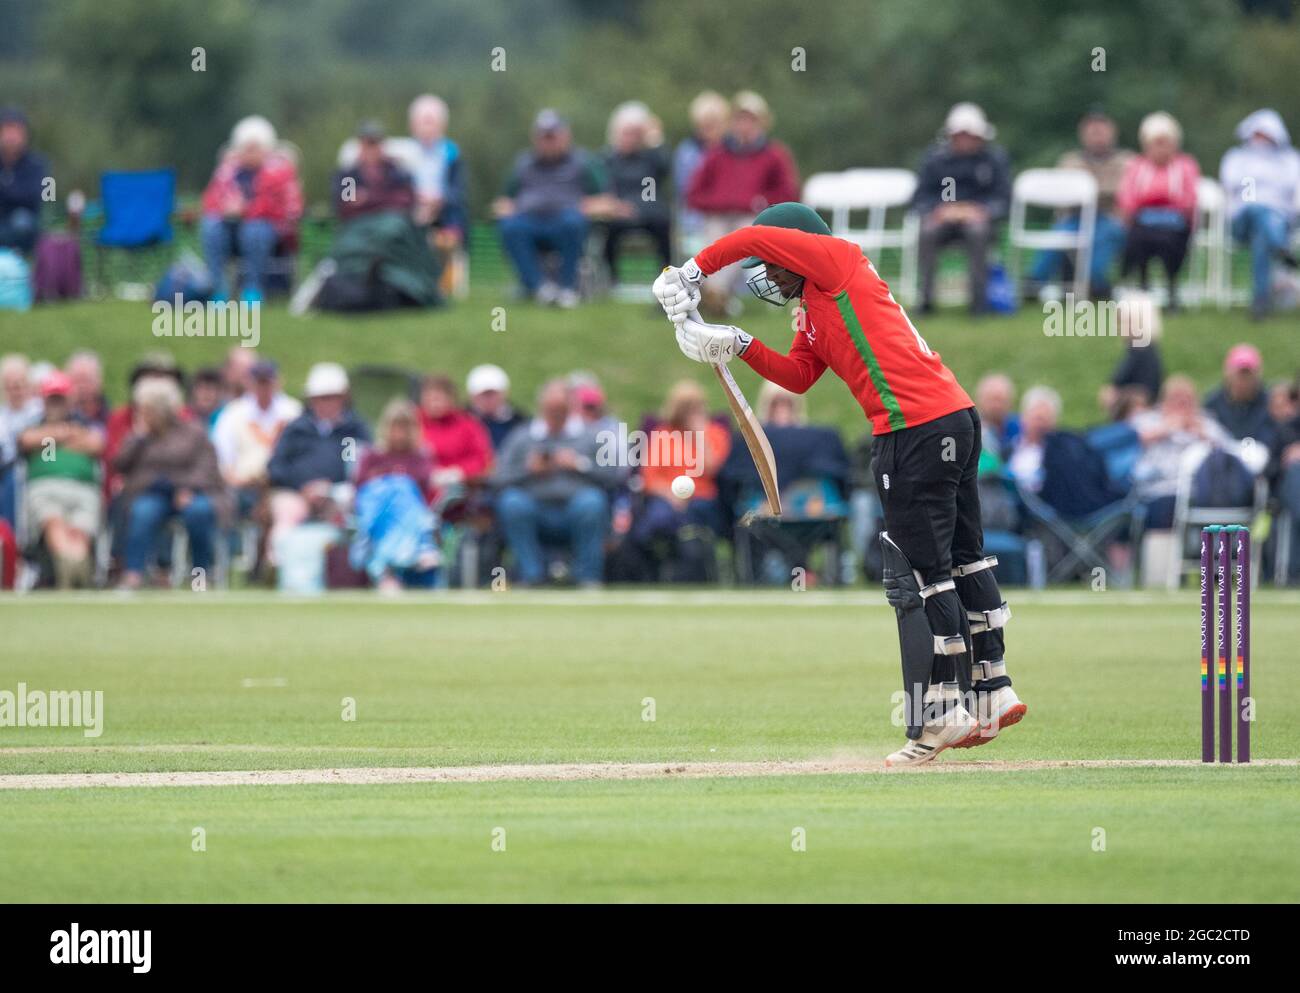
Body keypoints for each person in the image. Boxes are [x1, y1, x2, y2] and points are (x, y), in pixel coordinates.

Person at [653, 200, 1025, 766]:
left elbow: (747, 243)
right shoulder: (817, 300)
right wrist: (738, 343)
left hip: (912, 428)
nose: (771, 276)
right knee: (966, 557)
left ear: (796, 244)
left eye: (777, 262)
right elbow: (800, 376)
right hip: (955, 416)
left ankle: (947, 709)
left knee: (925, 574)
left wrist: (690, 273)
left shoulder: (834, 259)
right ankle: (994, 689)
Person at [492, 379, 623, 587]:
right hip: (534, 509)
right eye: (551, 409)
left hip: (576, 510)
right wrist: (527, 470)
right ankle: (531, 575)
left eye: (560, 409)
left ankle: (587, 577)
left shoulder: (590, 436)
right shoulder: (522, 436)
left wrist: (580, 464)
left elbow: (613, 475)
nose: (555, 414)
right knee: (512, 502)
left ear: (570, 406)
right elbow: (498, 478)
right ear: (541, 407)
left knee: (592, 502)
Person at [685, 91, 800, 314]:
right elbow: (694, 193)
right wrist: (719, 202)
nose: (745, 125)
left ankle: (714, 292)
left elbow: (788, 193)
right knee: (715, 241)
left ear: (762, 123)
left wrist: (761, 202)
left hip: (754, 216)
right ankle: (716, 295)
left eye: (751, 120)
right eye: (740, 119)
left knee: (742, 238)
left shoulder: (774, 156)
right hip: (717, 216)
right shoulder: (717, 155)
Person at [114, 376, 226, 589]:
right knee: (142, 512)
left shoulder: (194, 433)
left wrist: (185, 488)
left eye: (147, 409)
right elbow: (121, 464)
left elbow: (206, 469)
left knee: (199, 513)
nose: (142, 414)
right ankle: (133, 573)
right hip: (152, 494)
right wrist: (138, 438)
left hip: (191, 494)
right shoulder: (141, 438)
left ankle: (200, 575)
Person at [494, 110, 608, 307]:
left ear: (565, 136)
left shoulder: (583, 162)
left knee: (572, 223)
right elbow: (505, 201)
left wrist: (590, 207)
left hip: (566, 222)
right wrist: (505, 209)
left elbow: (605, 199)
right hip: (529, 222)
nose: (548, 142)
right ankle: (540, 288)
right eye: (544, 137)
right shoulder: (523, 163)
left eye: (552, 136)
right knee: (510, 227)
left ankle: (567, 288)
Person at [265, 363, 371, 563]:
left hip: (341, 496)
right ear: (311, 400)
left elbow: (363, 467)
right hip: (298, 494)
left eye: (332, 397)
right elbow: (276, 467)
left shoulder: (355, 430)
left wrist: (331, 489)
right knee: (287, 514)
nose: (327, 403)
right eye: (322, 398)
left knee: (354, 511)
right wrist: (303, 486)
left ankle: (351, 570)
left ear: (343, 398)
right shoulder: (296, 430)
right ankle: (280, 567)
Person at [913, 103, 1011, 315]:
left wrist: (982, 211)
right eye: (960, 135)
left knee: (977, 232)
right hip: (941, 222)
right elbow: (920, 197)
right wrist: (937, 211)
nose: (965, 140)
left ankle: (979, 303)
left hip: (979, 223)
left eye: (970, 135)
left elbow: (1003, 199)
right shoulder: (935, 159)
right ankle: (925, 301)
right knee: (927, 231)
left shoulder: (994, 159)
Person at [1028, 109, 1133, 298]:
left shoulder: (1127, 161)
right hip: (1074, 217)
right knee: (1060, 234)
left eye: (1101, 131)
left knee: (1105, 234)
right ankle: (1034, 282)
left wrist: (1089, 191)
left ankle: (1094, 283)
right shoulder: (1070, 161)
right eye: (1092, 131)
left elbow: (1126, 192)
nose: (1097, 136)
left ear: (1112, 133)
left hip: (1110, 219)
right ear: (1082, 134)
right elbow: (1065, 192)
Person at [199, 116, 303, 302]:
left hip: (269, 233)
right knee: (211, 226)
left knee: (254, 231)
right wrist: (225, 210)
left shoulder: (280, 173)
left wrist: (246, 211)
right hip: (230, 229)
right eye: (246, 148)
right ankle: (218, 290)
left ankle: (253, 290)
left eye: (255, 148)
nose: (250, 153)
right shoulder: (227, 173)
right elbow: (210, 201)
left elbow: (288, 209)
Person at [16, 371, 103, 587]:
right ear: (44, 400)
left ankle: (74, 571)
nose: (56, 404)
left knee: (79, 529)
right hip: (45, 488)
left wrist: (51, 437)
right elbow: (28, 440)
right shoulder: (34, 424)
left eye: (60, 399)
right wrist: (65, 435)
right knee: (54, 522)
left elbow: (96, 444)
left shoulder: (84, 423)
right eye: (51, 399)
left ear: (69, 400)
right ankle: (72, 569)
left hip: (83, 490)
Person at [352, 398, 440, 591]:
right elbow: (360, 489)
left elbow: (424, 487)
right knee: (398, 487)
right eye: (395, 428)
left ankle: (385, 568)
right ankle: (421, 547)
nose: (399, 434)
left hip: (409, 517)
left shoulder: (420, 456)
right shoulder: (372, 456)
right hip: (378, 517)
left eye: (404, 428)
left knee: (403, 489)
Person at [1220, 109, 1300, 319]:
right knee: (1258, 211)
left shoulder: (1290, 161)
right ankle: (1281, 248)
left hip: (1278, 220)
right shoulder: (1238, 159)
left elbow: (1295, 196)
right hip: (1243, 220)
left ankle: (1260, 301)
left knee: (1262, 236)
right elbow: (1239, 191)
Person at [1118, 112, 1199, 310]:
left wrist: (1157, 198)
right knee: (1137, 239)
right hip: (1143, 223)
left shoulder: (1186, 166)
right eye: (1156, 143)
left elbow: (1189, 199)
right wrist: (1156, 198)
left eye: (1165, 142)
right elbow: (1127, 198)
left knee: (1169, 241)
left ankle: (1172, 288)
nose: (1161, 148)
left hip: (1175, 225)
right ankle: (1142, 286)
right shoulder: (1137, 166)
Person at [1131, 375, 1232, 529]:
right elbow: (1132, 439)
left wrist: (1202, 434)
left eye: (1187, 401)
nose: (1181, 405)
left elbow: (1231, 454)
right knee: (1166, 508)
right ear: (1163, 401)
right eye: (1175, 400)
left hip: (1200, 490)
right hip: (1159, 490)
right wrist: (1167, 428)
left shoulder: (1208, 424)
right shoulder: (1149, 420)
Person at [211, 359, 301, 517]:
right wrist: (232, 478)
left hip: (283, 485)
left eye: (267, 382)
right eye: (259, 382)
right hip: (241, 486)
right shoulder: (232, 413)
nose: (263, 387)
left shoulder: (293, 412)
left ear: (278, 382)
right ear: (249, 383)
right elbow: (221, 454)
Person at [600, 102, 672, 281]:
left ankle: (666, 277)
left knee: (663, 224)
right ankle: (611, 278)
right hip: (616, 215)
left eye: (634, 133)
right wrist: (615, 207)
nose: (629, 138)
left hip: (649, 213)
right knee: (606, 231)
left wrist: (654, 137)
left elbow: (664, 169)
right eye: (626, 133)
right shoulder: (606, 160)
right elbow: (603, 191)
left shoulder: (651, 158)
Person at [398, 94, 468, 247]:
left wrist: (440, 200)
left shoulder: (452, 153)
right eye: (423, 122)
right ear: (412, 125)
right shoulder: (402, 154)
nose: (427, 127)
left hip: (445, 215)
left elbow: (459, 192)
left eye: (431, 122)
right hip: (409, 212)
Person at [417, 374, 493, 501]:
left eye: (438, 399)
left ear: (451, 400)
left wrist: (458, 472)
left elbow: (481, 459)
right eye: (430, 398)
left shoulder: (468, 425)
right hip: (420, 484)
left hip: (459, 488)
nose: (434, 404)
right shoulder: (412, 421)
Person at [673, 91, 730, 254]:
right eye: (705, 124)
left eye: (714, 124)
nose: (709, 130)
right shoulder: (686, 152)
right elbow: (685, 189)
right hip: (696, 221)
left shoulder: (735, 152)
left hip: (730, 218)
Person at [1098, 294, 1164, 419]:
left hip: (1138, 419)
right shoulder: (1137, 351)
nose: (1120, 327)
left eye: (1126, 321)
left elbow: (1146, 394)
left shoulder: (1144, 353)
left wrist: (1118, 397)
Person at [0, 353, 44, 527]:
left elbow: (50, 449)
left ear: (29, 385)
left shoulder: (40, 411)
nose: (15, 391)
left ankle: (11, 541)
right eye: (9, 387)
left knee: (14, 480)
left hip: (34, 465)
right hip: (5, 468)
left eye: (19, 385)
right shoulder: (2, 415)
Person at [1203, 343, 1274, 447]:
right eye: (1240, 375)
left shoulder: (1270, 403)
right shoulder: (1213, 404)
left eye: (1248, 375)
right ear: (1228, 374)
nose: (1244, 381)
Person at [0, 107, 49, 254]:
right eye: (7, 130)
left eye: (16, 131)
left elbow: (42, 197)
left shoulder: (40, 165)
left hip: (24, 225)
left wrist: (6, 191)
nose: (11, 137)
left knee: (21, 220)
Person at [466, 364, 527, 450]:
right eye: (484, 395)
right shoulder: (462, 421)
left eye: (492, 394)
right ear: (472, 397)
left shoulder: (519, 421)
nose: (488, 400)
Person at [973, 373, 1018, 460]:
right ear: (980, 400)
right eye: (992, 400)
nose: (997, 406)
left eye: (1001, 400)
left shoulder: (1019, 428)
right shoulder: (972, 429)